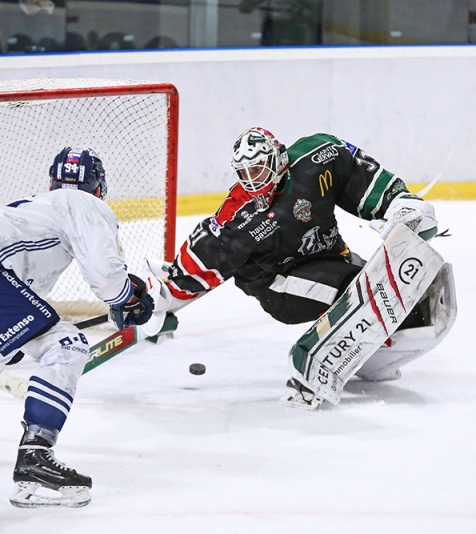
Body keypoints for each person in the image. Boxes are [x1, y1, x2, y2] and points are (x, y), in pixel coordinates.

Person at [142, 127, 451, 409]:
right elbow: (204, 258)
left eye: (258, 168)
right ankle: (310, 367)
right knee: (359, 293)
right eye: (244, 172)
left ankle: (373, 359)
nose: (253, 179)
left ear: (278, 158)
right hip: (279, 285)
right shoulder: (238, 217)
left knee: (394, 299)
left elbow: (356, 176)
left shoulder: (317, 157)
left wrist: (397, 202)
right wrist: (165, 295)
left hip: (329, 258)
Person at [0, 146, 154, 508]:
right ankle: (35, 457)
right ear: (99, 188)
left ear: (52, 182)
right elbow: (107, 279)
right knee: (67, 345)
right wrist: (128, 299)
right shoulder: (85, 204)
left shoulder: (30, 210)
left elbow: (21, 295)